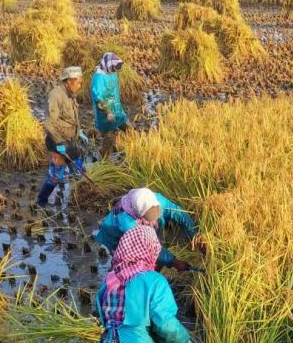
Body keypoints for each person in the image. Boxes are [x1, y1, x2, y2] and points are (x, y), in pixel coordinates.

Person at [96, 186, 203, 273]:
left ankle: (154, 274)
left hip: (141, 229)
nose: (155, 221)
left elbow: (180, 214)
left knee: (156, 258)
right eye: (150, 219)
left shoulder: (157, 201)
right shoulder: (127, 223)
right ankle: (114, 283)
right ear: (140, 215)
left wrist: (195, 236)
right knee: (126, 266)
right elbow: (149, 247)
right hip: (115, 237)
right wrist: (174, 262)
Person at [37, 66, 88, 207]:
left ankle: (78, 200)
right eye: (78, 82)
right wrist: (59, 143)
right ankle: (41, 201)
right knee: (55, 176)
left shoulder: (71, 94)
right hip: (57, 143)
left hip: (71, 141)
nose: (80, 85)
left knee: (79, 171)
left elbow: (70, 119)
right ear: (69, 81)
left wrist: (80, 132)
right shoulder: (56, 95)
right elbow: (49, 122)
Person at [91, 51, 129, 157]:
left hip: (117, 109)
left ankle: (132, 150)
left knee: (129, 130)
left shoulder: (112, 73)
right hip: (105, 113)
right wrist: (108, 112)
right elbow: (98, 97)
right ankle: (104, 159)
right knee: (109, 136)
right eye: (114, 67)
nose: (115, 70)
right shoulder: (99, 78)